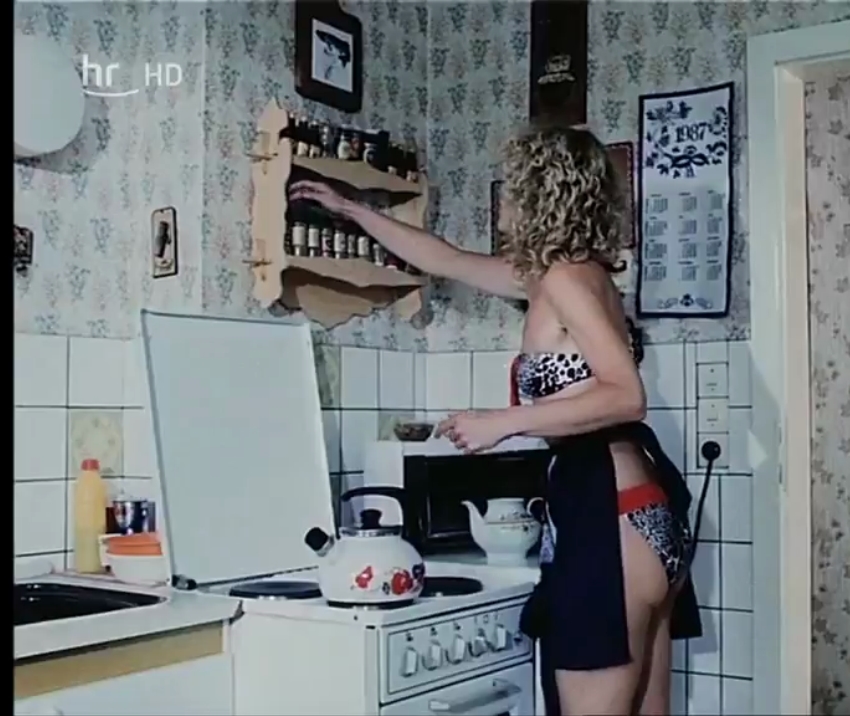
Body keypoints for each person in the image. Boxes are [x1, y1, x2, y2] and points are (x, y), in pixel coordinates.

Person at [289, 126, 702, 716]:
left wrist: (503, 422)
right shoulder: (574, 276)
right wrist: (351, 208)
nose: (504, 199)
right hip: (642, 514)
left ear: (539, 193)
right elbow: (447, 259)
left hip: (607, 516)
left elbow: (625, 395)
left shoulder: (562, 280)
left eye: (513, 187)